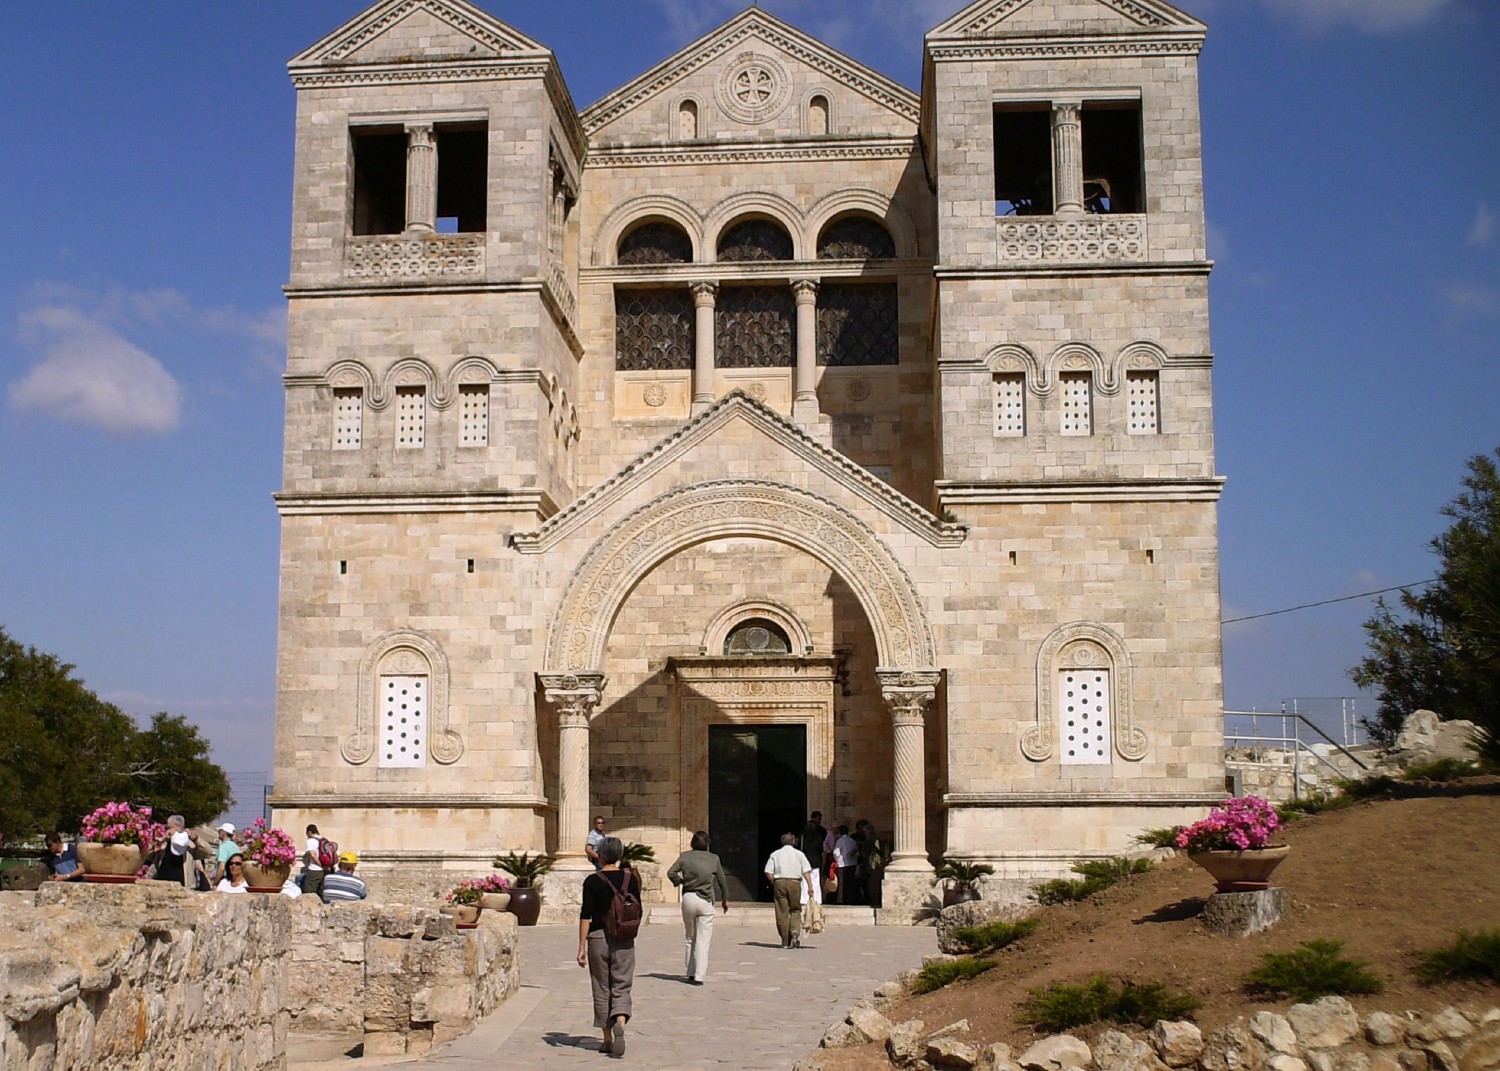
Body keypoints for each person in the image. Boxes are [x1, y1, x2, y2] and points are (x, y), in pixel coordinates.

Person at [578, 836, 637, 1056]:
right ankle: (620, 1019)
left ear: (600, 855)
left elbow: (586, 915)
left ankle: (607, 1038)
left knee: (601, 986)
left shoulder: (592, 881)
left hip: (597, 937)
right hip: (623, 937)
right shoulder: (630, 879)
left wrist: (581, 946)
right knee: (622, 984)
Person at [666, 830, 730, 985]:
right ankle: (699, 976)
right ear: (707, 844)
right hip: (705, 900)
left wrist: (680, 881)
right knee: (703, 940)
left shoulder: (685, 856)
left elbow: (671, 872)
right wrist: (725, 899)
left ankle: (690, 972)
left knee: (690, 937)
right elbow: (722, 881)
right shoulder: (714, 858)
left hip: (688, 897)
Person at [763, 832, 815, 949]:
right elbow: (806, 871)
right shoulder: (799, 854)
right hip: (795, 882)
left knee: (782, 911)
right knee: (795, 909)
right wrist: (810, 886)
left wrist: (773, 881)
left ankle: (785, 941)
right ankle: (795, 931)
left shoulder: (775, 854)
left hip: (779, 882)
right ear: (793, 842)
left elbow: (768, 871)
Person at [153, 814, 200, 889]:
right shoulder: (163, 844)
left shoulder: (190, 846)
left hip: (184, 886)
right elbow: (147, 853)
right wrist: (162, 839)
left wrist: (197, 839)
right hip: (160, 884)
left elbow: (208, 851)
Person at [832, 824, 860, 905]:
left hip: (842, 865)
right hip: (852, 864)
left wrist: (837, 860)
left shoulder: (840, 841)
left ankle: (841, 900)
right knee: (850, 883)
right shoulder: (852, 841)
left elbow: (836, 853)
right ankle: (850, 899)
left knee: (842, 883)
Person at [302, 824, 327, 899]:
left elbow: (312, 855)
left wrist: (320, 864)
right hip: (325, 871)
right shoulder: (324, 840)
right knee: (321, 893)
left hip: (314, 869)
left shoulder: (310, 841)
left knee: (308, 893)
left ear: (309, 832)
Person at [800, 810, 827, 878]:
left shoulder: (822, 830)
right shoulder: (805, 831)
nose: (819, 821)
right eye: (818, 819)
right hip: (814, 859)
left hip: (811, 858)